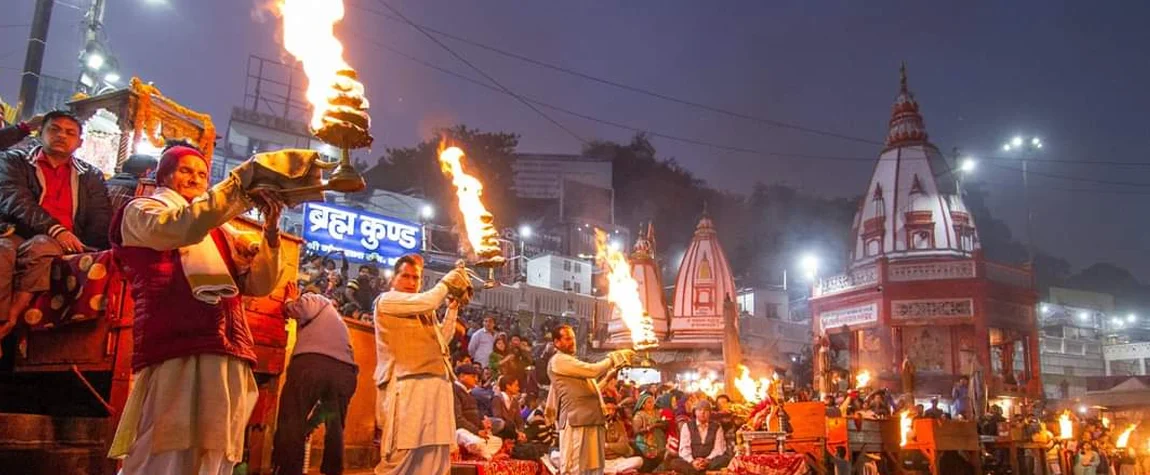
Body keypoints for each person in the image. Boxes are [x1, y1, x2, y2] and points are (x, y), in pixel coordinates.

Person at [106, 144, 292, 473]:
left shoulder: (220, 230)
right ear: (164, 175)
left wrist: (272, 233)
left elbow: (259, 285)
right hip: (175, 347)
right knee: (164, 448)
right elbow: (181, 226)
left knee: (217, 449)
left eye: (202, 174)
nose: (195, 178)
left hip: (228, 348)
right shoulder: (143, 212)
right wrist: (241, 186)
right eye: (185, 170)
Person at [0, 110, 111, 346]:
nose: (62, 135)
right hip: (18, 231)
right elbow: (15, 199)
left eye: (70, 132)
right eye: (54, 129)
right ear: (40, 133)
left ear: (79, 142)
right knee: (3, 251)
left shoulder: (90, 175)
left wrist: (92, 252)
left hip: (63, 242)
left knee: (41, 248)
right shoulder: (15, 161)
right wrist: (54, 228)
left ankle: (12, 318)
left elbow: (100, 218)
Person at [373, 254, 471, 475]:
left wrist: (453, 308)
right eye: (405, 276)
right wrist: (449, 281)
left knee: (435, 458)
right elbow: (430, 299)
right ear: (393, 279)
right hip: (408, 387)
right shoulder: (387, 300)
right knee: (402, 457)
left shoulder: (424, 309)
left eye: (415, 278)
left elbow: (442, 341)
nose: (411, 282)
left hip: (437, 387)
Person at [271, 293, 359, 475]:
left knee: (291, 421)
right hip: (346, 372)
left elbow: (306, 307)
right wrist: (310, 425)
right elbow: (327, 408)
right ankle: (333, 471)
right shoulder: (338, 323)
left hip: (310, 364)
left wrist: (288, 304)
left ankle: (286, 471)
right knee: (335, 426)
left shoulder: (319, 300)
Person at [545, 325, 634, 475]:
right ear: (556, 342)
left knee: (594, 470)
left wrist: (608, 377)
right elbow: (593, 371)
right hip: (576, 422)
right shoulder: (559, 360)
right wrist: (614, 357)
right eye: (567, 339)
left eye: (573, 338)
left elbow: (591, 391)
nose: (572, 342)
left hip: (593, 421)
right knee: (575, 469)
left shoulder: (572, 362)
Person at [453, 363, 504, 460]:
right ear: (462, 376)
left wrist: (483, 423)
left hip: (473, 431)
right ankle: (488, 457)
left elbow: (474, 414)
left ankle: (482, 453)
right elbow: (457, 419)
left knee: (497, 441)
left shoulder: (469, 394)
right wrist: (477, 431)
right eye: (473, 376)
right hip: (459, 431)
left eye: (476, 377)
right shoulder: (454, 390)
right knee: (474, 441)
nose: (476, 380)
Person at [667, 400, 731, 475]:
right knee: (675, 462)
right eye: (700, 410)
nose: (702, 413)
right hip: (692, 461)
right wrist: (692, 461)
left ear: (710, 413)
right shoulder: (687, 426)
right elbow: (684, 448)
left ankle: (697, 472)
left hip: (709, 461)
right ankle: (704, 473)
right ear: (695, 412)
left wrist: (707, 460)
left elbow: (718, 448)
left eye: (706, 411)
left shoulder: (717, 426)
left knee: (725, 459)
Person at [602, 397, 643, 475]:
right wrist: (616, 447)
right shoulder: (595, 426)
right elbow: (597, 448)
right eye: (608, 409)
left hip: (618, 460)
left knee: (639, 460)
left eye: (613, 409)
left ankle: (613, 471)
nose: (611, 412)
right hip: (602, 461)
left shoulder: (619, 424)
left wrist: (607, 446)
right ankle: (617, 471)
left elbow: (624, 447)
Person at [632, 392, 667, 472]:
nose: (652, 404)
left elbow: (661, 422)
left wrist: (661, 424)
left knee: (662, 455)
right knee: (651, 460)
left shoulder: (656, 412)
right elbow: (636, 431)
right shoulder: (639, 415)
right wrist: (649, 428)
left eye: (652, 401)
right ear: (643, 405)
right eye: (649, 402)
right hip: (645, 440)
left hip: (659, 438)